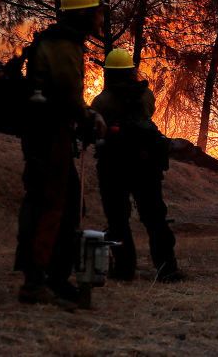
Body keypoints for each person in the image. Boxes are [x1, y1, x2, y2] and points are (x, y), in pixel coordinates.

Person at [15, 0, 106, 309]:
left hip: (46, 134)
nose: (100, 20)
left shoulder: (59, 42)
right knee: (51, 206)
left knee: (66, 206)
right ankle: (36, 281)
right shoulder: (64, 47)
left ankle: (53, 277)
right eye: (97, 13)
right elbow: (67, 96)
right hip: (49, 136)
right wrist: (89, 118)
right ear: (83, 14)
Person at [91, 48, 182, 282]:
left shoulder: (101, 101)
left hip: (113, 165)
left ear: (108, 73)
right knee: (155, 217)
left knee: (118, 219)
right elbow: (149, 113)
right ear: (132, 71)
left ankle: (124, 270)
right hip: (145, 163)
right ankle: (167, 268)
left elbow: (96, 128)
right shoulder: (146, 95)